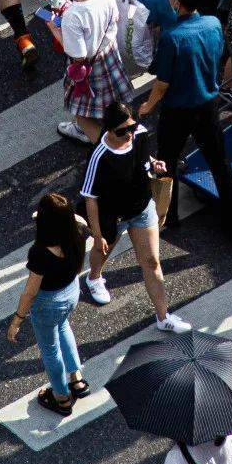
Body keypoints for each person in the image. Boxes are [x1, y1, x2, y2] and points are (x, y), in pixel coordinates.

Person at [137, 0, 232, 235]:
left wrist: (148, 106)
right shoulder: (213, 24)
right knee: (220, 163)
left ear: (176, 1)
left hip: (177, 111)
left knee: (167, 163)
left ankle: (167, 216)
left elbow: (162, 84)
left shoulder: (172, 36)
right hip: (208, 106)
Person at [80, 102, 182, 326]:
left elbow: (145, 158)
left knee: (152, 262)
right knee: (102, 251)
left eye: (132, 127)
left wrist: (154, 164)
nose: (129, 134)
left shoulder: (140, 135)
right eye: (121, 131)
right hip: (112, 215)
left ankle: (164, 318)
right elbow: (90, 197)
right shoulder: (100, 156)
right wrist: (97, 235)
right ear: (108, 130)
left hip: (142, 208)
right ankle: (94, 277)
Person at [6, 192, 88, 415]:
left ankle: (61, 397)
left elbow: (31, 292)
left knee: (50, 350)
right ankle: (77, 379)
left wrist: (17, 320)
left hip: (48, 303)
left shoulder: (40, 252)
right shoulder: (78, 231)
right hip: (71, 292)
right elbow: (74, 220)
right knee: (63, 327)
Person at [56, 0, 132, 148]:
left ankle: (106, 144)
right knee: (110, 102)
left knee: (83, 114)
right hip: (109, 53)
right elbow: (114, 16)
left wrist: (54, 27)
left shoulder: (74, 16)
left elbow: (78, 56)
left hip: (91, 65)